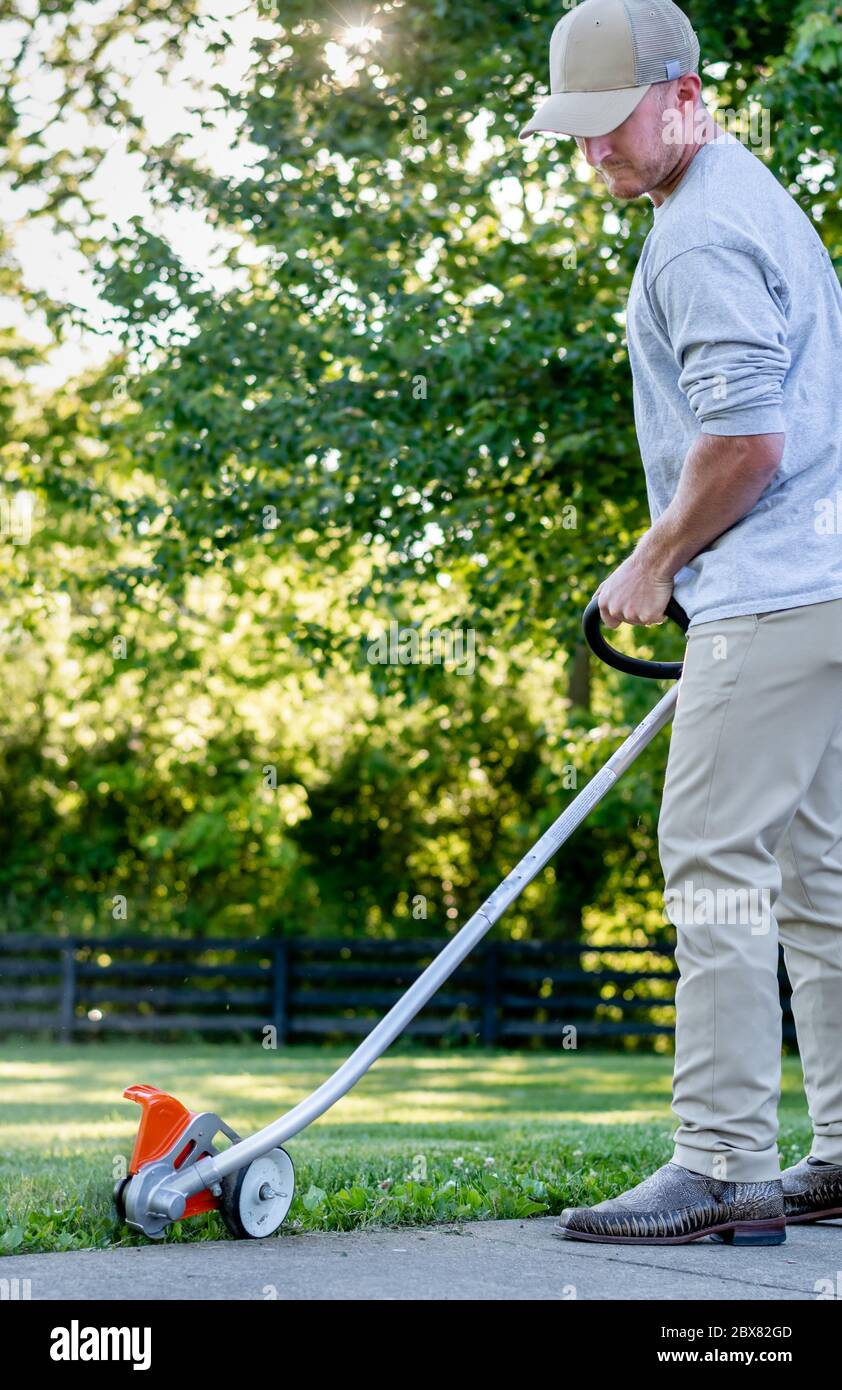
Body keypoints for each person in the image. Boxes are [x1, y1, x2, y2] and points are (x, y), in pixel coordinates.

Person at [520, 0, 842, 1245]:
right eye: (576, 133)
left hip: (765, 592)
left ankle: (717, 1161)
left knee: (712, 866)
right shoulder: (745, 191)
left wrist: (654, 559)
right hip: (822, 586)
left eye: (610, 126)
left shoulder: (695, 236)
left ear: (683, 94)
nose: (592, 153)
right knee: (818, 882)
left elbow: (746, 440)